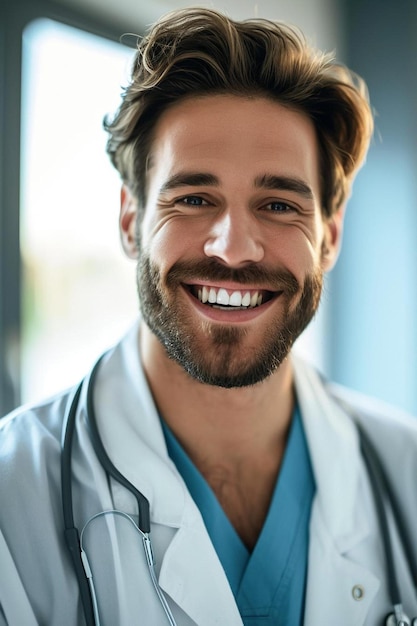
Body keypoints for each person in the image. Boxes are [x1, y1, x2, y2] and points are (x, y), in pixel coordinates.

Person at [0, 7, 416, 626]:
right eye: (194, 198)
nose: (233, 248)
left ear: (329, 236)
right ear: (130, 219)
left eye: (278, 204)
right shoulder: (13, 494)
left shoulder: (406, 474)